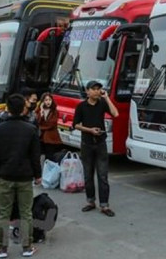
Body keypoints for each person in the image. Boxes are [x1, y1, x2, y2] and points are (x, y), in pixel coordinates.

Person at [0, 94, 42, 258]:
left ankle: (1, 249)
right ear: (23, 109)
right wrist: (38, 174)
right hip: (25, 177)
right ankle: (27, 247)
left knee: (4, 213)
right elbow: (35, 155)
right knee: (26, 212)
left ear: (8, 108)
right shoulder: (31, 129)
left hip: (5, 176)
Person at [73, 81, 119, 217]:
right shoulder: (81, 106)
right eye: (94, 89)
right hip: (86, 144)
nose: (97, 91)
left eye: (99, 89)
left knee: (103, 175)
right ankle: (90, 201)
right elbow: (76, 125)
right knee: (88, 175)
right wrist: (90, 130)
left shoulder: (102, 103)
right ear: (87, 91)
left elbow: (115, 114)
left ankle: (104, 205)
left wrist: (107, 98)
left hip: (101, 144)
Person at [36, 92, 63, 161]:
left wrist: (42, 126)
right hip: (41, 137)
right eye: (46, 100)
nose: (48, 102)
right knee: (37, 156)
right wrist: (42, 112)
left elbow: (51, 124)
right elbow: (38, 122)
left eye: (49, 100)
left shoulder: (54, 111)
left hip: (51, 138)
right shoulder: (39, 110)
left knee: (49, 157)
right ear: (42, 101)